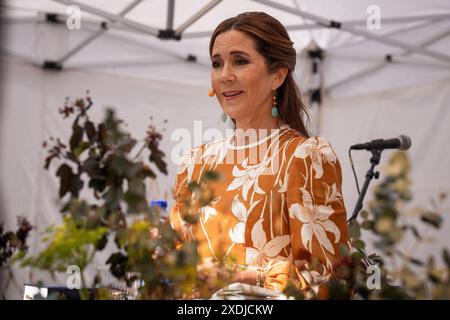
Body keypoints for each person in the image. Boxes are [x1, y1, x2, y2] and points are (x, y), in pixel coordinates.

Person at [170, 11, 349, 299]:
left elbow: (331, 279)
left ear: (277, 75)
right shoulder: (195, 163)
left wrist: (244, 277)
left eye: (240, 61)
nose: (225, 75)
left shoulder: (306, 156)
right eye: (217, 64)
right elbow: (173, 266)